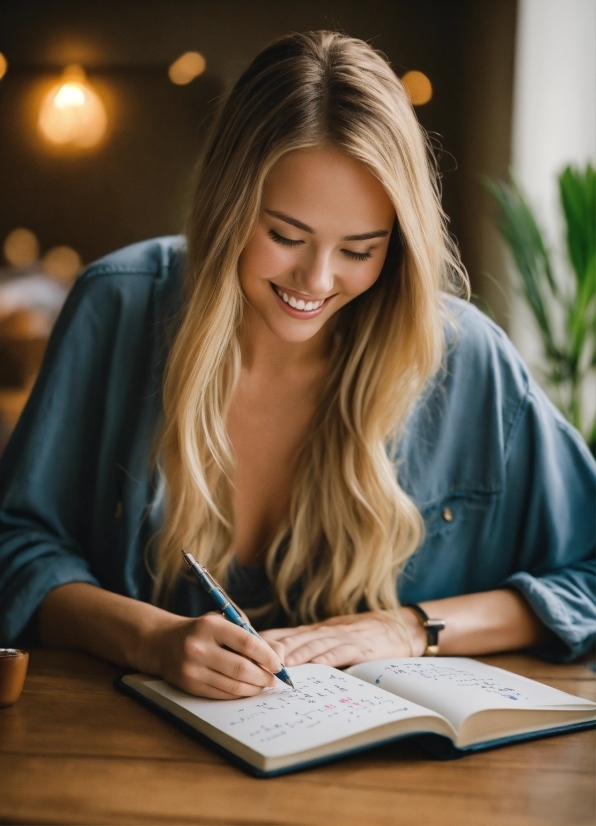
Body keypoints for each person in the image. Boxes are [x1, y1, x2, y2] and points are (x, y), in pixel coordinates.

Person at [0, 32, 594, 700]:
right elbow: (17, 544)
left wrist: (412, 628)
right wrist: (147, 638)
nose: (315, 279)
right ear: (226, 204)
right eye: (284, 235)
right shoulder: (117, 304)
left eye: (360, 250)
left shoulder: (467, 360)